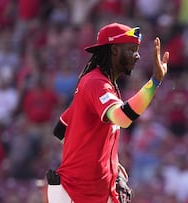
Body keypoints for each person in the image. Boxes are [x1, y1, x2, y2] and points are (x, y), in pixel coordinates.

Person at [47, 22, 169, 203]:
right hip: (78, 193)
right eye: (131, 50)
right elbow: (123, 118)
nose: (137, 56)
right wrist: (154, 82)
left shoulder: (101, 85)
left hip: (90, 193)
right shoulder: (96, 83)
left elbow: (61, 129)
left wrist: (108, 162)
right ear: (114, 51)